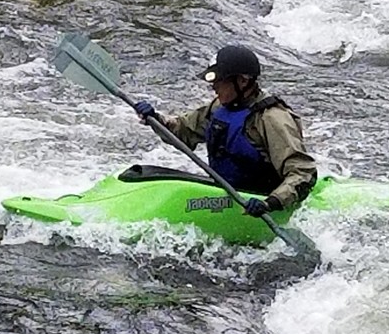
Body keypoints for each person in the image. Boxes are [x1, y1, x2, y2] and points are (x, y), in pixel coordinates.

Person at [133, 45, 317, 217]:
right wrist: (155, 119)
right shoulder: (219, 108)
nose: (213, 87)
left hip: (263, 203)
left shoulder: (272, 118)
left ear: (242, 81)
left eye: (219, 81)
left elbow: (303, 173)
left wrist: (271, 203)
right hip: (228, 193)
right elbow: (183, 132)